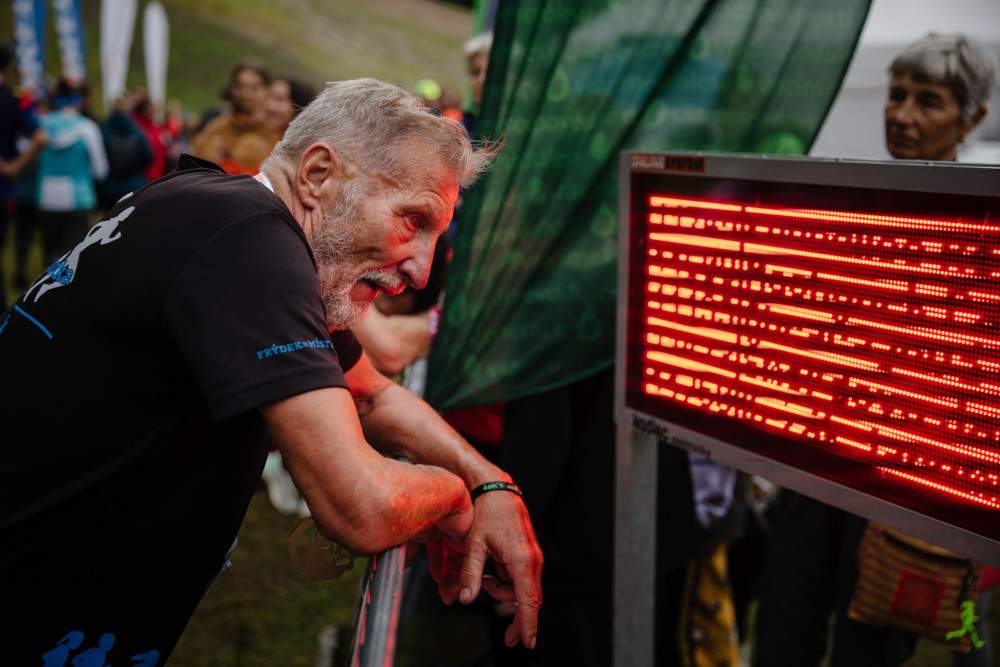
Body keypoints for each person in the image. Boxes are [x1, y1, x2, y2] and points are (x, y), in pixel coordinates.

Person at [0, 78, 542, 665]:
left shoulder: (227, 215)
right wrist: (456, 496)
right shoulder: (249, 241)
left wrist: (491, 482)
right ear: (317, 174)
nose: (421, 270)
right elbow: (361, 506)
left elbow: (371, 395)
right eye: (413, 220)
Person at [753, 32, 996, 667]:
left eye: (928, 101)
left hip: (904, 482)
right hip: (816, 462)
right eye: (897, 95)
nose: (903, 114)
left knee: (870, 643)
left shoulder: (981, 224)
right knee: (784, 624)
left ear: (971, 119)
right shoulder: (852, 201)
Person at [34, 78, 108, 265]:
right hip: (79, 196)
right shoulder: (88, 128)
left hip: (47, 195)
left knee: (51, 256)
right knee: (73, 258)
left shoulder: (40, 125)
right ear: (78, 100)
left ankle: (47, 282)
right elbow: (101, 170)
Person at [0, 42, 45, 307]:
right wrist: (15, 166)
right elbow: (40, 136)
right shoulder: (18, 100)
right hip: (4, 190)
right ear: (9, 68)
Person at [190, 59, 276, 174]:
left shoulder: (274, 127)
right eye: (240, 87)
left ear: (266, 90)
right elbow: (196, 156)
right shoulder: (219, 125)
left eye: (254, 88)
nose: (246, 93)